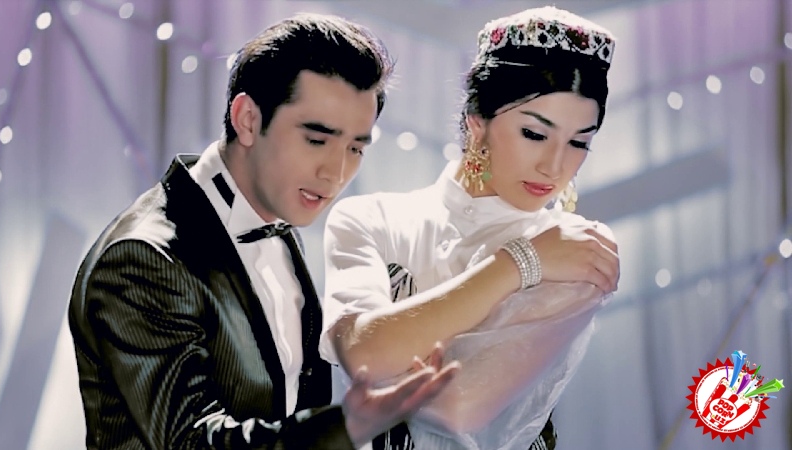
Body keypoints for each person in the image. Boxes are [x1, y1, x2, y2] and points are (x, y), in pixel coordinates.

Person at [67, 13, 458, 450]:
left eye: (354, 148)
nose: (336, 173)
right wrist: (347, 426)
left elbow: (288, 397)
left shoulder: (278, 220)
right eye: (316, 140)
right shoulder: (142, 258)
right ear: (248, 119)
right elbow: (192, 442)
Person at [319, 6, 620, 450]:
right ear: (476, 124)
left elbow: (458, 407)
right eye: (535, 134)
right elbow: (364, 358)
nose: (555, 166)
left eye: (579, 142)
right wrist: (519, 263)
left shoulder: (576, 249)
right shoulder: (370, 218)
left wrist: (392, 340)